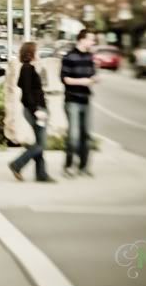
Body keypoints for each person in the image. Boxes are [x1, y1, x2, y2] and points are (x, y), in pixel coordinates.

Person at [8, 42, 56, 183]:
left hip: (36, 109)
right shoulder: (28, 69)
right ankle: (17, 164)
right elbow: (27, 93)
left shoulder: (28, 68)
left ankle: (41, 174)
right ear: (31, 53)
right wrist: (36, 111)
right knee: (41, 145)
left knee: (40, 143)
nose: (39, 53)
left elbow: (21, 85)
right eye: (37, 51)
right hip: (35, 110)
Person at [60, 29, 98, 177]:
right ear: (82, 39)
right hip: (72, 100)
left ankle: (83, 167)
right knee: (73, 135)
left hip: (86, 100)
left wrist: (94, 79)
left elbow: (92, 75)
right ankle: (68, 166)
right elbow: (65, 79)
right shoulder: (69, 57)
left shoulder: (89, 56)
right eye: (91, 39)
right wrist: (83, 81)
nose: (93, 42)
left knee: (86, 135)